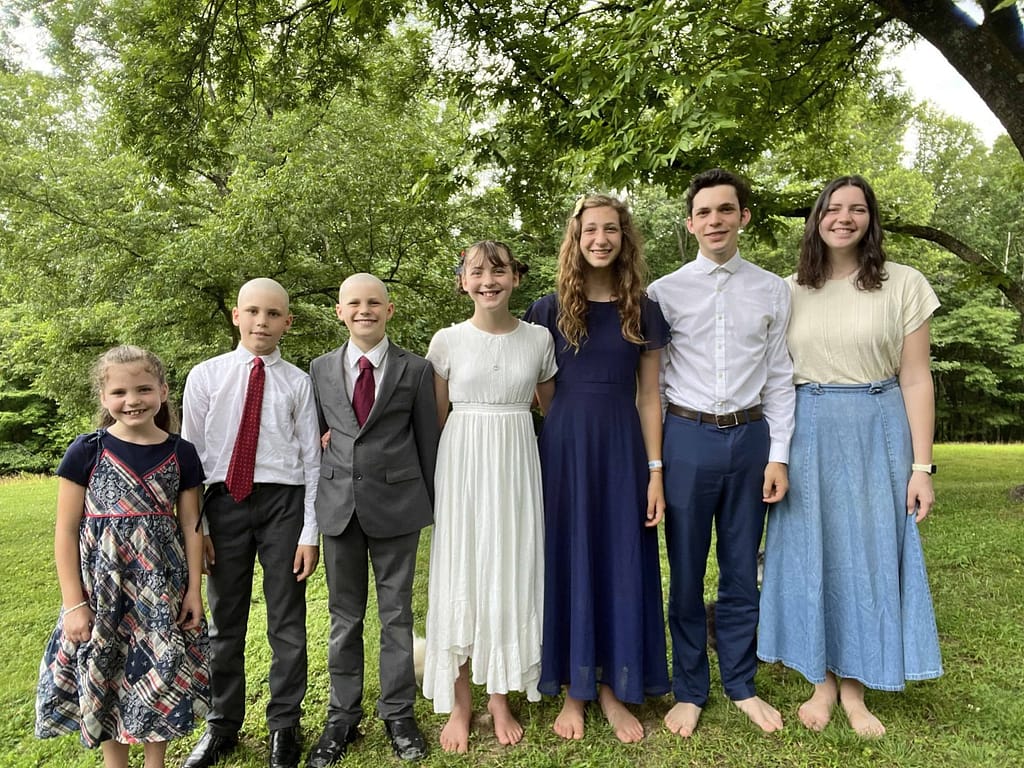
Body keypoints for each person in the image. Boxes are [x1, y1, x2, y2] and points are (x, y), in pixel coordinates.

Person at [757, 175, 943, 737]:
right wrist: (776, 452)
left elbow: (915, 378)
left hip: (877, 429)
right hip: (807, 428)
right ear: (816, 219)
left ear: (871, 219)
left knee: (867, 555)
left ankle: (857, 688)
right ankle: (821, 682)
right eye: (833, 208)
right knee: (812, 552)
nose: (844, 217)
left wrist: (921, 466)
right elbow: (771, 378)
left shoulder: (904, 284)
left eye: (856, 209)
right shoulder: (789, 290)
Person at [647, 168, 794, 737]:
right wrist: (655, 463)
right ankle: (689, 688)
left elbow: (781, 376)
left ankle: (740, 682)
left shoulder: (771, 289)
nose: (715, 220)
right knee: (684, 571)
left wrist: (777, 454)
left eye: (725, 210)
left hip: (751, 439)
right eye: (704, 212)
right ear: (690, 223)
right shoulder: (664, 292)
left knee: (739, 567)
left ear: (743, 217)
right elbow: (653, 388)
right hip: (686, 438)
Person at [524, 194, 670, 744]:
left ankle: (614, 689)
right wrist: (568, 425)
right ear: (576, 237)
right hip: (564, 448)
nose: (600, 239)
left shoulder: (644, 308)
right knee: (569, 557)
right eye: (590, 230)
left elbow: (650, 396)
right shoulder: (547, 308)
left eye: (611, 229)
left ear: (624, 237)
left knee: (620, 558)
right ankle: (575, 689)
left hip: (623, 446)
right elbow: (542, 389)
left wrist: (655, 471)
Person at [35, 345, 209, 768]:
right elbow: (66, 529)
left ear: (164, 392)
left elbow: (191, 525)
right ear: (103, 397)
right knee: (107, 669)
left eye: (144, 389)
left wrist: (193, 592)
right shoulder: (86, 451)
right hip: (102, 592)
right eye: (120, 392)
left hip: (159, 590)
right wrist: (75, 603)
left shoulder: (180, 452)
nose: (132, 400)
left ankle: (156, 763)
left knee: (160, 670)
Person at [422, 241, 557, 753]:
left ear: (515, 278)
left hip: (519, 461)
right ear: (463, 282)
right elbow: (435, 420)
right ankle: (460, 702)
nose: (488, 280)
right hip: (463, 465)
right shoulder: (447, 342)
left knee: (510, 569)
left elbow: (552, 411)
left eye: (498, 270)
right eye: (477, 272)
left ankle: (499, 696)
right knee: (462, 570)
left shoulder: (539, 339)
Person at [181, 278, 321, 768]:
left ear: (288, 322)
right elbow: (191, 458)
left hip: (283, 503)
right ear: (237, 316)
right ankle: (222, 724)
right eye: (253, 312)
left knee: (287, 620)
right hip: (223, 505)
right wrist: (199, 528)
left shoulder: (298, 382)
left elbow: (311, 461)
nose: (263, 321)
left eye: (274, 314)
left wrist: (309, 532)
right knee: (226, 621)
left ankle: (285, 724)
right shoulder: (206, 376)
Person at [307, 273, 440, 765]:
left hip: (398, 507)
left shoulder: (416, 369)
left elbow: (428, 441)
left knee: (396, 615)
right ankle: (342, 716)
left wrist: (432, 504)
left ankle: (398, 712)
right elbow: (314, 437)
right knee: (344, 618)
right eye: (354, 303)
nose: (364, 310)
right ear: (340, 312)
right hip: (339, 508)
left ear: (389, 309)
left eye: (374, 302)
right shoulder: (319, 369)